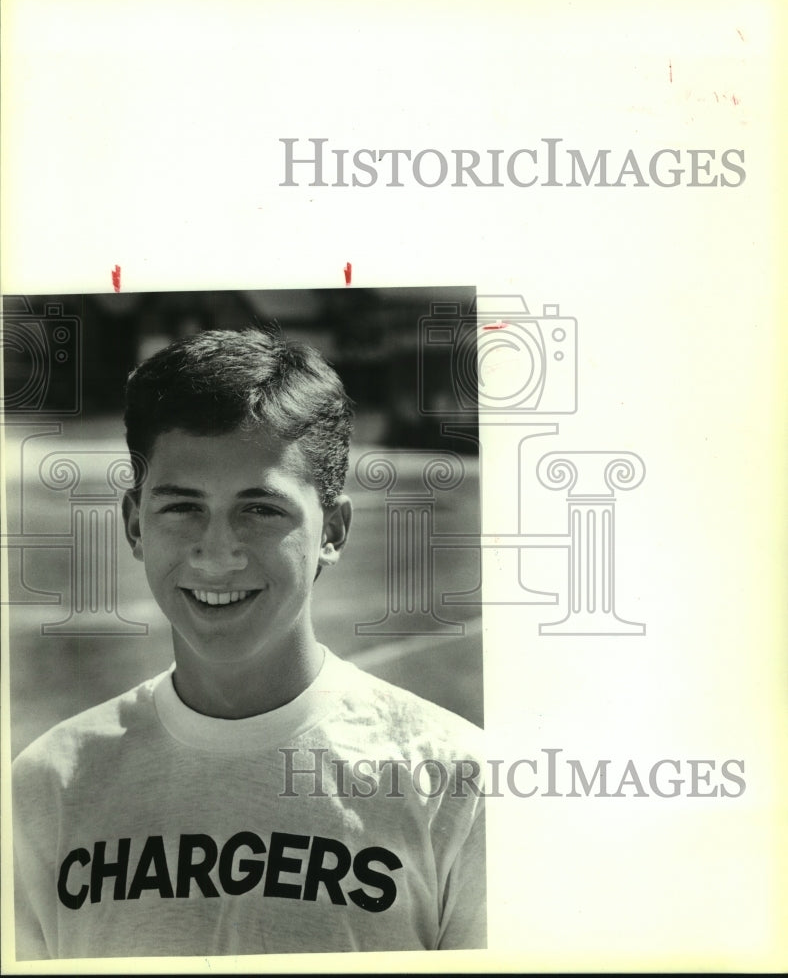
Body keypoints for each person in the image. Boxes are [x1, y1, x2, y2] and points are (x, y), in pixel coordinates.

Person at [12, 325, 486, 960]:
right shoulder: (48, 787)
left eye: (260, 510)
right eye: (182, 508)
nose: (217, 553)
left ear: (334, 529)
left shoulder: (453, 779)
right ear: (134, 524)